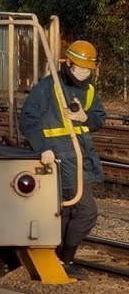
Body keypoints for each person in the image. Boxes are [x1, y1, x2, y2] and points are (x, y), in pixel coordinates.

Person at [20, 40, 106, 279]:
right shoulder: (48, 87)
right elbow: (28, 119)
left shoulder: (89, 90)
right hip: (60, 157)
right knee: (86, 211)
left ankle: (59, 258)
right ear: (68, 64)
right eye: (80, 68)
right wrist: (42, 149)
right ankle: (65, 259)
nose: (83, 73)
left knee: (68, 211)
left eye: (87, 69)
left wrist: (85, 117)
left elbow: (99, 117)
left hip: (82, 156)